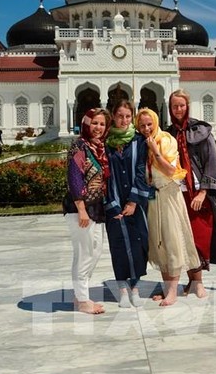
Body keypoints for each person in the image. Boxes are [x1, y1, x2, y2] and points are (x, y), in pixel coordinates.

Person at [167, 89, 216, 298]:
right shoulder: (168, 134)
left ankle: (198, 282)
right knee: (183, 238)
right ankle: (191, 280)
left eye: (181, 105)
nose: (178, 110)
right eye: (174, 106)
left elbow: (212, 161)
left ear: (188, 106)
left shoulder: (201, 131)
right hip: (178, 193)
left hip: (198, 193)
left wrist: (204, 191)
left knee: (199, 237)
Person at [136, 108, 200, 306]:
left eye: (150, 124)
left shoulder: (166, 140)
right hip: (154, 198)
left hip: (169, 194)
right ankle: (167, 289)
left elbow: (172, 170)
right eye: (142, 125)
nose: (147, 128)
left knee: (173, 241)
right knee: (159, 242)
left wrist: (156, 152)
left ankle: (173, 290)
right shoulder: (141, 143)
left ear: (156, 122)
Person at [104, 100, 151, 308]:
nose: (124, 120)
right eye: (120, 116)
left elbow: (141, 171)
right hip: (113, 201)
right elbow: (103, 175)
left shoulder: (139, 141)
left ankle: (136, 289)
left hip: (136, 201)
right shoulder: (105, 142)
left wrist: (133, 201)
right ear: (113, 116)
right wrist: (113, 204)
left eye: (128, 116)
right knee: (118, 245)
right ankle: (122, 289)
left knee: (138, 243)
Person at [64, 108, 110, 315]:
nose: (98, 128)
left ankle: (79, 294)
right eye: (94, 123)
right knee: (84, 253)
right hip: (81, 208)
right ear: (86, 123)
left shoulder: (100, 148)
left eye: (102, 124)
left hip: (97, 207)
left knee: (96, 250)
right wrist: (81, 209)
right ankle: (82, 300)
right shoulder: (79, 146)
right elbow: (74, 178)